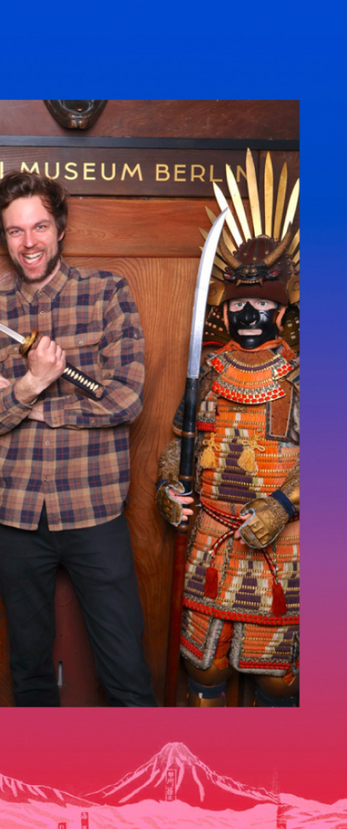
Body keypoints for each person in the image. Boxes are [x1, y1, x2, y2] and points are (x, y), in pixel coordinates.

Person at [0, 171, 156, 707]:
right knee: (29, 671)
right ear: (3, 237)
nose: (29, 242)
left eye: (40, 226)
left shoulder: (107, 292)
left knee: (126, 670)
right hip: (19, 517)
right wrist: (28, 384)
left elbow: (126, 399)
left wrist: (29, 398)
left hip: (94, 511)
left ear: (60, 228)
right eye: (15, 230)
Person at [156, 152, 300, 706]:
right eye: (239, 303)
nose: (248, 314)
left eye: (260, 304)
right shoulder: (210, 373)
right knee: (205, 669)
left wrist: (281, 507)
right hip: (209, 539)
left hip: (283, 546)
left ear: (281, 314)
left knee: (276, 677)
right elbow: (178, 448)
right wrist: (168, 490)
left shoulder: (303, 378)